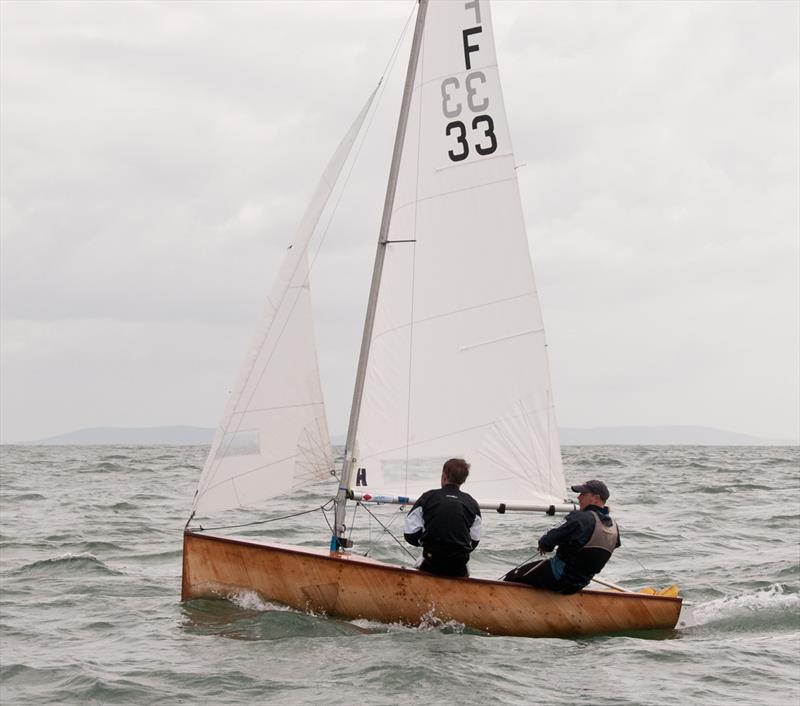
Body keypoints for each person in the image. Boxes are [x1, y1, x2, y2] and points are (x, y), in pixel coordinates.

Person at [503, 479, 620, 594]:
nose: (579, 497)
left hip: (558, 576)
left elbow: (546, 541)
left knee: (512, 576)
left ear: (596, 498)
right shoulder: (614, 527)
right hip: (579, 584)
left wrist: (544, 546)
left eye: (583, 494)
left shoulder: (580, 518)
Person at [403, 458, 482, 577]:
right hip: (459, 566)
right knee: (462, 565)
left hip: (431, 563)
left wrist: (426, 541)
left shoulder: (427, 497)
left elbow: (410, 534)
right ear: (463, 480)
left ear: (444, 476)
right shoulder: (472, 503)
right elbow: (474, 541)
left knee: (423, 561)